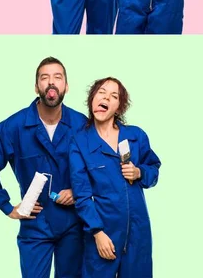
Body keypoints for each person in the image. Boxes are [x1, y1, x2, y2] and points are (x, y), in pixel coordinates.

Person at [0, 57, 87, 278]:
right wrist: (7, 207)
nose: (51, 83)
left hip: (74, 223)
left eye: (58, 77)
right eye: (44, 78)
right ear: (37, 87)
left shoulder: (81, 125)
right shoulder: (13, 127)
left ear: (66, 86)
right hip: (35, 224)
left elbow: (97, 169)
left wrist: (78, 192)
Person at [69, 77, 161, 277]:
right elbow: (82, 194)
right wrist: (97, 232)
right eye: (101, 92)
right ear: (92, 99)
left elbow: (153, 168)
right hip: (104, 232)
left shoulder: (136, 136)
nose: (106, 98)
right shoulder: (79, 142)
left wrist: (140, 172)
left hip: (138, 233)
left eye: (113, 96)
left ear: (119, 107)